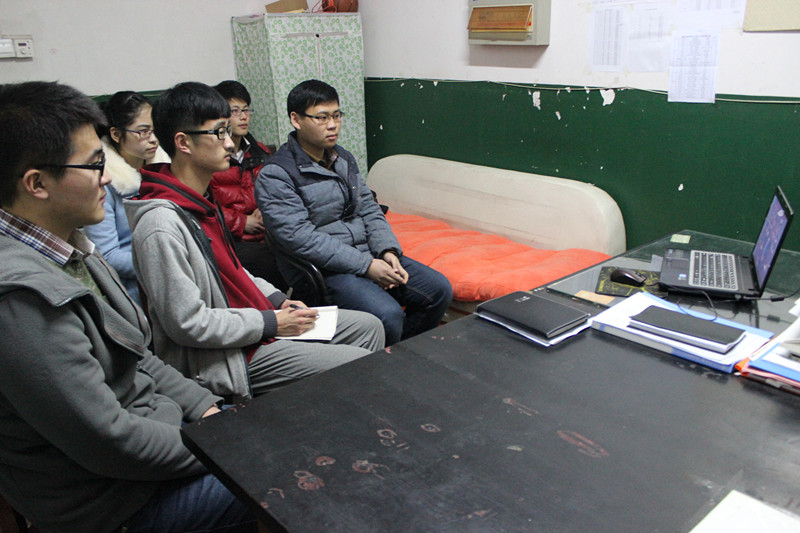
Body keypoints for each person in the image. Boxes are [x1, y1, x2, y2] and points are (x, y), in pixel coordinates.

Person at [0, 81, 258, 533]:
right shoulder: (20, 299)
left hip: (155, 437)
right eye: (94, 164)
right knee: (283, 470)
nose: (107, 178)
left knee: (266, 434)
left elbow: (138, 355)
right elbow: (110, 441)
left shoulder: (70, 245)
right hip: (113, 501)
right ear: (36, 183)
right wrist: (221, 444)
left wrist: (208, 410)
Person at [125, 81, 384, 401]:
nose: (230, 143)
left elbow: (232, 270)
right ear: (183, 142)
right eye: (219, 132)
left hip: (252, 325)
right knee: (358, 362)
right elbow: (188, 324)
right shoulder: (161, 224)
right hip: (224, 357)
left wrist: (277, 300)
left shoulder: (199, 201)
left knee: (368, 326)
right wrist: (270, 323)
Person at [255, 79, 453, 346]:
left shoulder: (343, 158)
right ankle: (379, 361)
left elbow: (369, 208)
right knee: (387, 315)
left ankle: (400, 353)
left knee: (439, 291)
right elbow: (300, 238)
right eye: (322, 117)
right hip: (325, 270)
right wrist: (366, 266)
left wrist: (388, 251)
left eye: (336, 115)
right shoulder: (277, 174)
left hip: (368, 254)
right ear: (296, 119)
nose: (332, 125)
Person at [83, 91, 169, 305]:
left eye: (155, 130)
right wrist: (163, 263)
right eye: (143, 132)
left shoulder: (164, 168)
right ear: (116, 134)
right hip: (132, 288)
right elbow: (108, 255)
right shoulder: (104, 182)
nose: (153, 139)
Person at [208, 80, 284, 285]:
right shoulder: (211, 156)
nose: (243, 116)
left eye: (246, 110)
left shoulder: (260, 151)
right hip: (231, 240)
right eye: (235, 111)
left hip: (267, 233)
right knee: (268, 263)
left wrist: (266, 209)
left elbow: (276, 189)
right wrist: (242, 222)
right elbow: (205, 205)